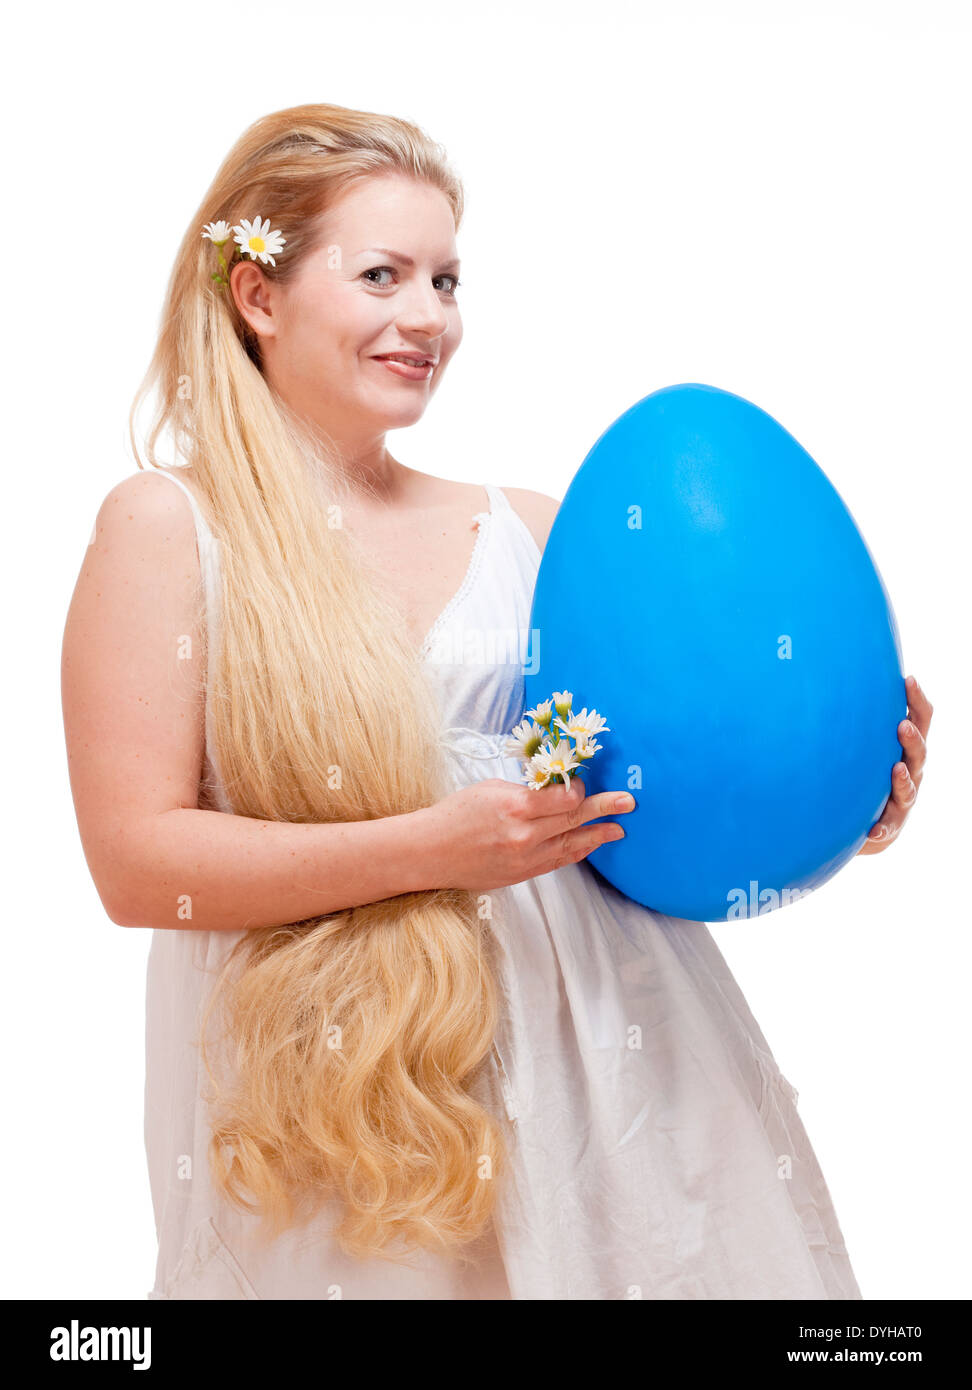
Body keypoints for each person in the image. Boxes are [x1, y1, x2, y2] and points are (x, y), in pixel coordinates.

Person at [61, 102, 932, 1301]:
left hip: (602, 1087)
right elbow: (138, 864)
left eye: (446, 279)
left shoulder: (530, 533)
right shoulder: (173, 533)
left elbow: (652, 792)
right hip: (346, 1103)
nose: (429, 317)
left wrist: (836, 789)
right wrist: (432, 849)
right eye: (382, 274)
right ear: (258, 296)